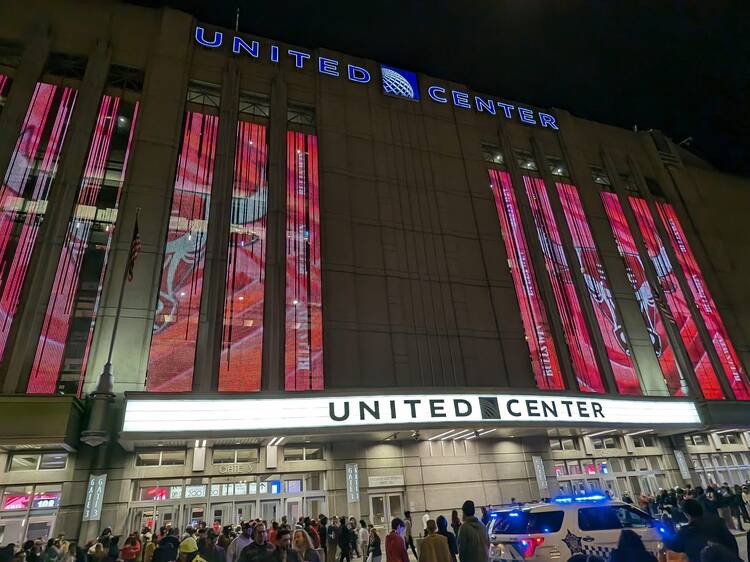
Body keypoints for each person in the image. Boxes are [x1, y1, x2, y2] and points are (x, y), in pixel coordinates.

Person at [662, 498, 738, 562]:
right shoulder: (717, 522)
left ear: (687, 514)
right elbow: (732, 542)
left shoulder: (686, 531)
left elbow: (674, 545)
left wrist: (664, 532)